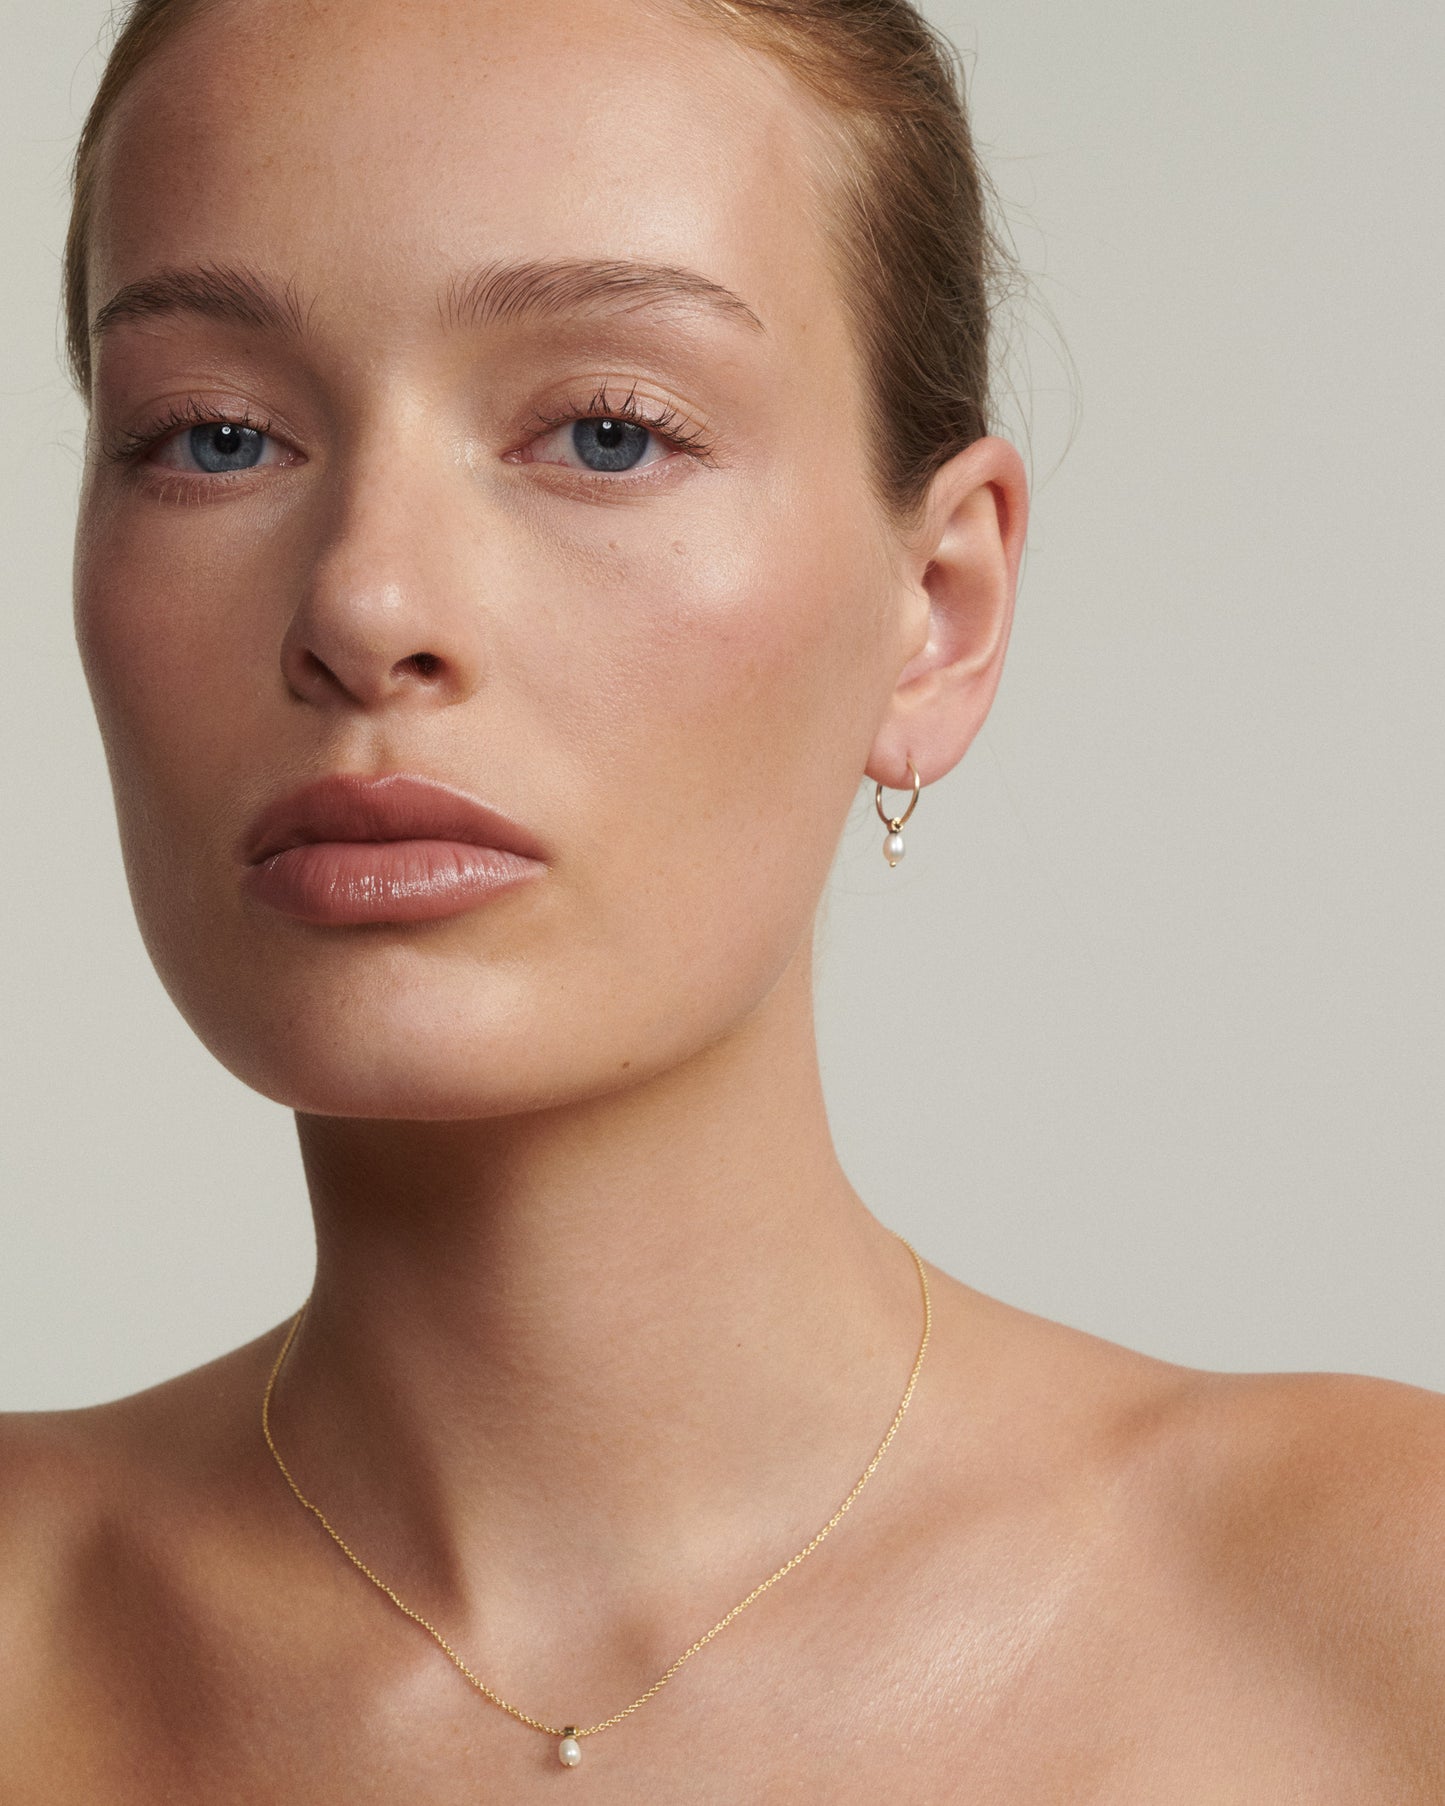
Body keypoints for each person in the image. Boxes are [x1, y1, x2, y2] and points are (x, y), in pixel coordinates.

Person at [4, 0, 1443, 1795]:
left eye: (605, 432)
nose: (365, 602)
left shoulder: (1375, 1616)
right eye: (213, 437)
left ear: (940, 609)